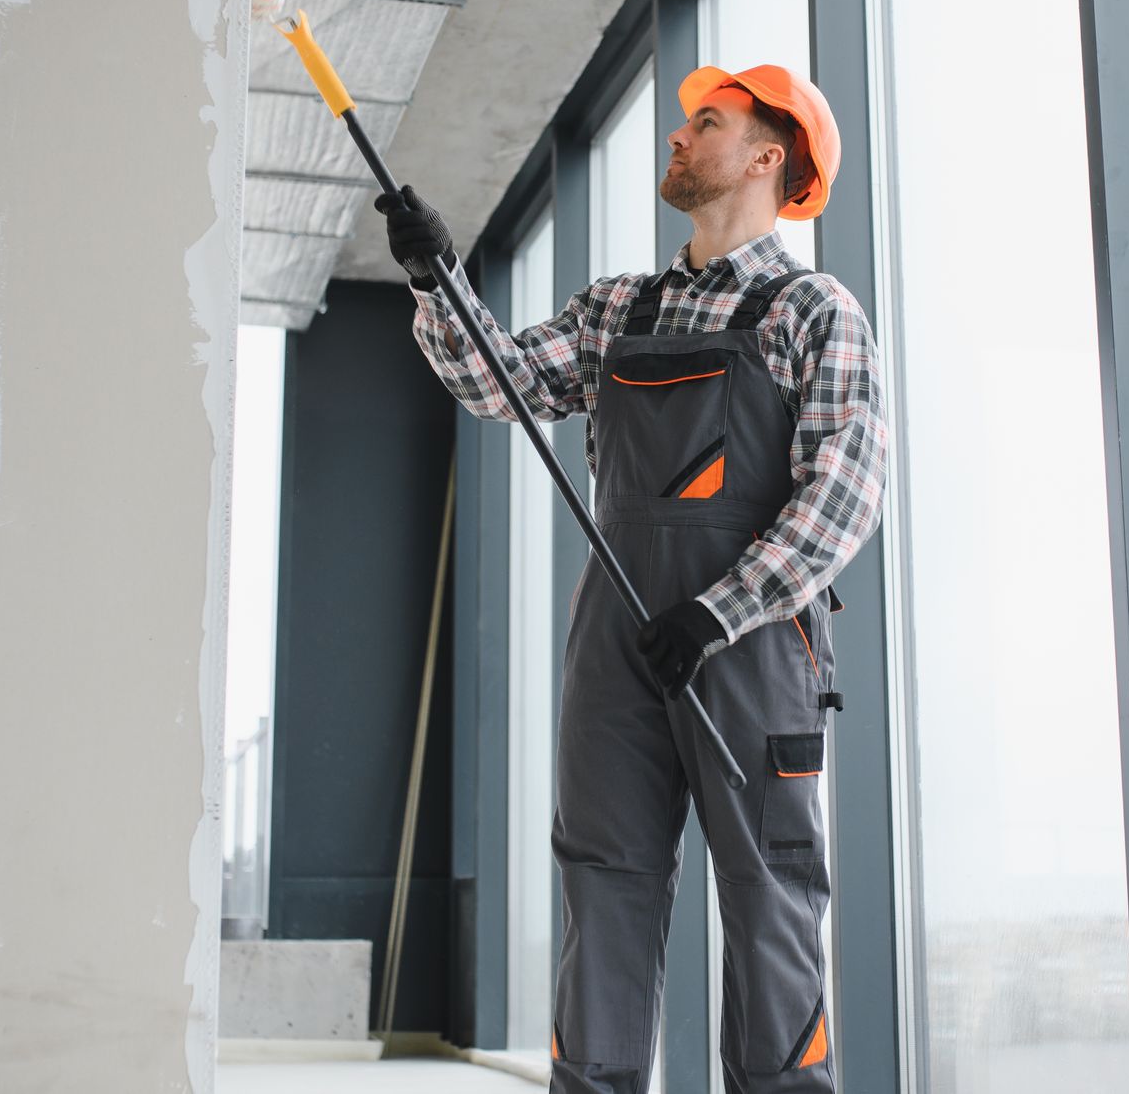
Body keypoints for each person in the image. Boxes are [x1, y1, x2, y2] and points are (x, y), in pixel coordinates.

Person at [377, 64, 888, 1094]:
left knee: (770, 894)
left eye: (706, 122)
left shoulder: (812, 310)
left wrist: (716, 611)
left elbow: (845, 491)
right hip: (616, 647)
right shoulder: (620, 307)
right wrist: (438, 281)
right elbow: (501, 384)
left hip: (750, 647)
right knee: (604, 889)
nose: (677, 135)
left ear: (764, 156)